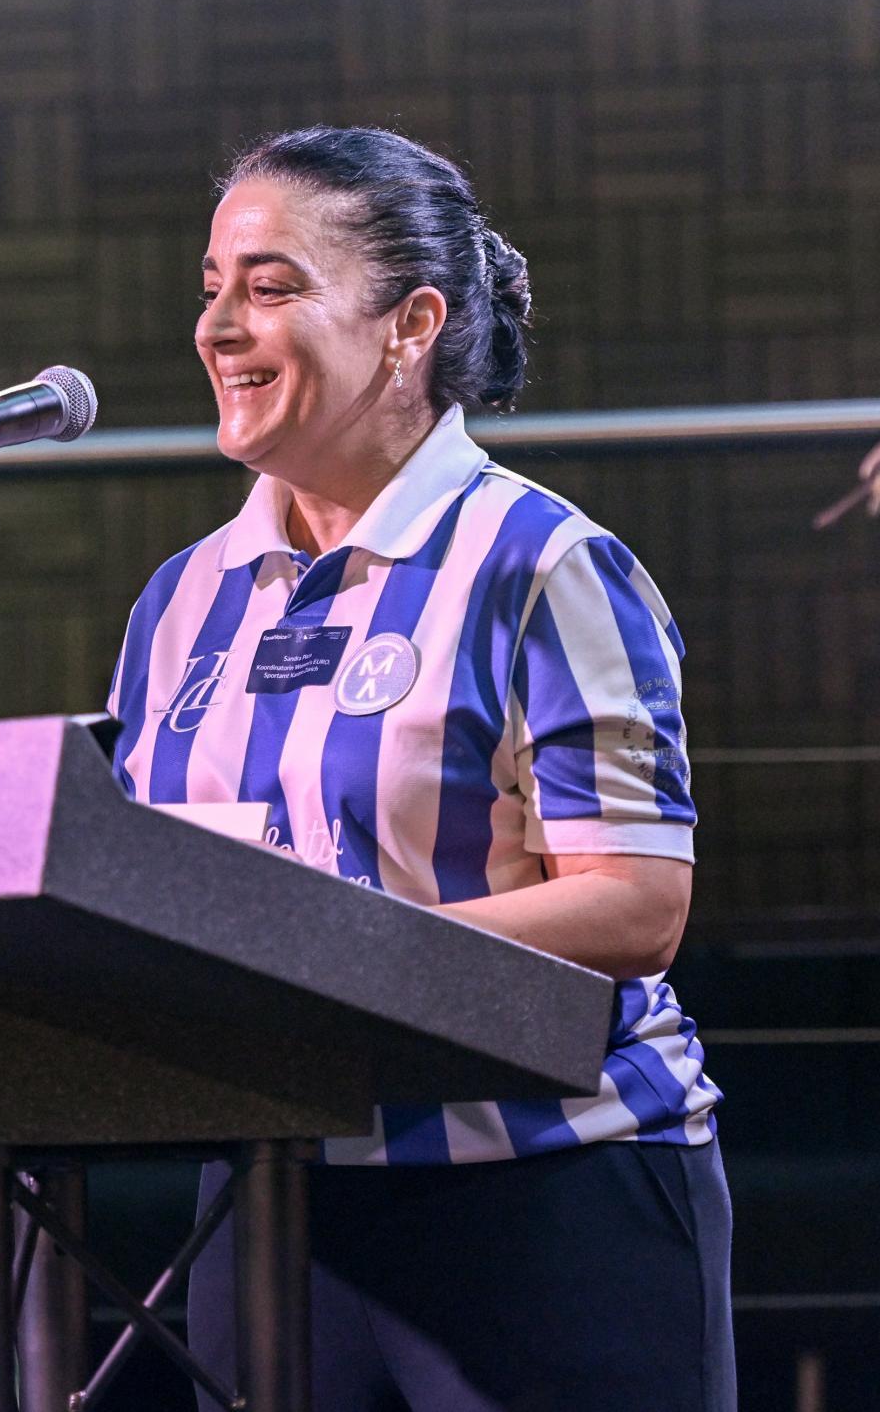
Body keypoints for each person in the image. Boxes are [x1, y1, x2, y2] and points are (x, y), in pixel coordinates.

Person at [104, 126, 734, 1410]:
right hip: (271, 1197)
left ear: (411, 325)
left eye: (271, 286)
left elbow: (636, 903)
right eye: (212, 285)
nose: (219, 325)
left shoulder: (543, 566)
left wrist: (336, 953)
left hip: (546, 1195)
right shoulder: (183, 602)